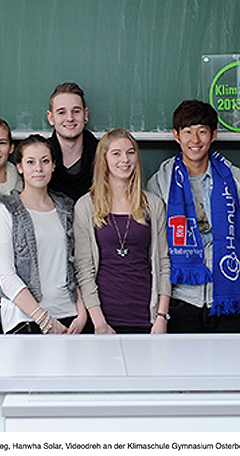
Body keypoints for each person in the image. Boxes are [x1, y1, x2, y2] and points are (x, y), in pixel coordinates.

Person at [147, 100, 240, 333]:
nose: (195, 140)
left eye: (202, 131)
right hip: (180, 300)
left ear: (214, 134)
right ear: (176, 136)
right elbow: (156, 244)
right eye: (187, 132)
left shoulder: (236, 179)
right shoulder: (161, 182)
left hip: (228, 300)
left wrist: (227, 265)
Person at [74, 129, 171, 334]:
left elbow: (163, 263)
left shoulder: (153, 204)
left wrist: (161, 317)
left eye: (130, 152)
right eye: (116, 153)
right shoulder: (86, 206)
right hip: (104, 319)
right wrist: (99, 322)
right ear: (104, 159)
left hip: (147, 317)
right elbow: (84, 269)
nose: (125, 160)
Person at [0, 135, 88, 334]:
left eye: (45, 161)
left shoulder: (66, 208)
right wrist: (43, 319)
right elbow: (6, 275)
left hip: (69, 319)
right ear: (19, 167)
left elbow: (74, 264)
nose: (38, 168)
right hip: (25, 319)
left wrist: (82, 312)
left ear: (53, 165)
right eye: (30, 162)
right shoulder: (7, 210)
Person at [45, 82, 99, 201]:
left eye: (76, 111)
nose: (70, 118)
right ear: (50, 118)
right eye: (61, 112)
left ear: (85, 114)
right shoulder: (40, 158)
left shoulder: (103, 155)